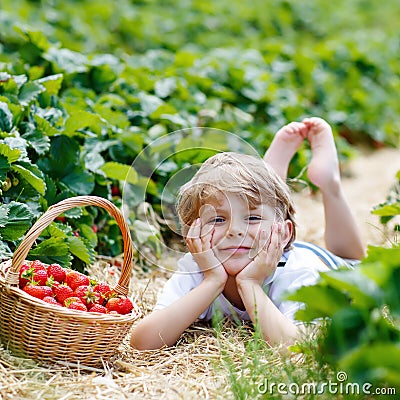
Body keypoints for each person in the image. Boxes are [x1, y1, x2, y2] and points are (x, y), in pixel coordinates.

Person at [130, 117, 365, 350]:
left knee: (355, 263)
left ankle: (329, 184)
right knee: (260, 202)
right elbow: (142, 342)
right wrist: (213, 281)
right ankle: (268, 182)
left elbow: (299, 349)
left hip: (325, 263)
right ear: (194, 231)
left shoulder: (298, 272)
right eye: (218, 219)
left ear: (285, 233)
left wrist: (250, 283)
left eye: (252, 218)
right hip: (266, 239)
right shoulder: (199, 267)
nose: (235, 231)